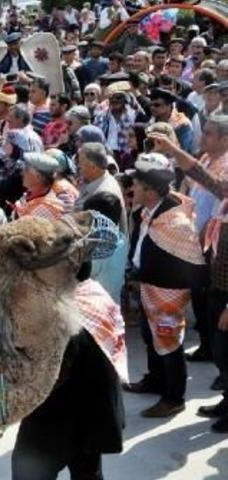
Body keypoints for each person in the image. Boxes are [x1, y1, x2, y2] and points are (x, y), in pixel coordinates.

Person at [12, 260, 125, 480]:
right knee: (88, 473)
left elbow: (44, 377)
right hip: (93, 415)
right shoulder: (96, 295)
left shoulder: (56, 313)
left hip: (56, 420)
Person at [153, 120, 228, 432]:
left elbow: (209, 179)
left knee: (225, 346)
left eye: (210, 133)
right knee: (220, 344)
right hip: (220, 275)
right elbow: (205, 177)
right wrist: (173, 150)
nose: (203, 138)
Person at [123, 153, 207, 418]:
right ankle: (155, 380)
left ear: (150, 190)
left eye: (136, 184)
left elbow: (192, 263)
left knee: (169, 344)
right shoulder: (151, 208)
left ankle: (173, 398)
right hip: (151, 287)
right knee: (152, 338)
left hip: (168, 293)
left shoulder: (175, 221)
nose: (131, 188)